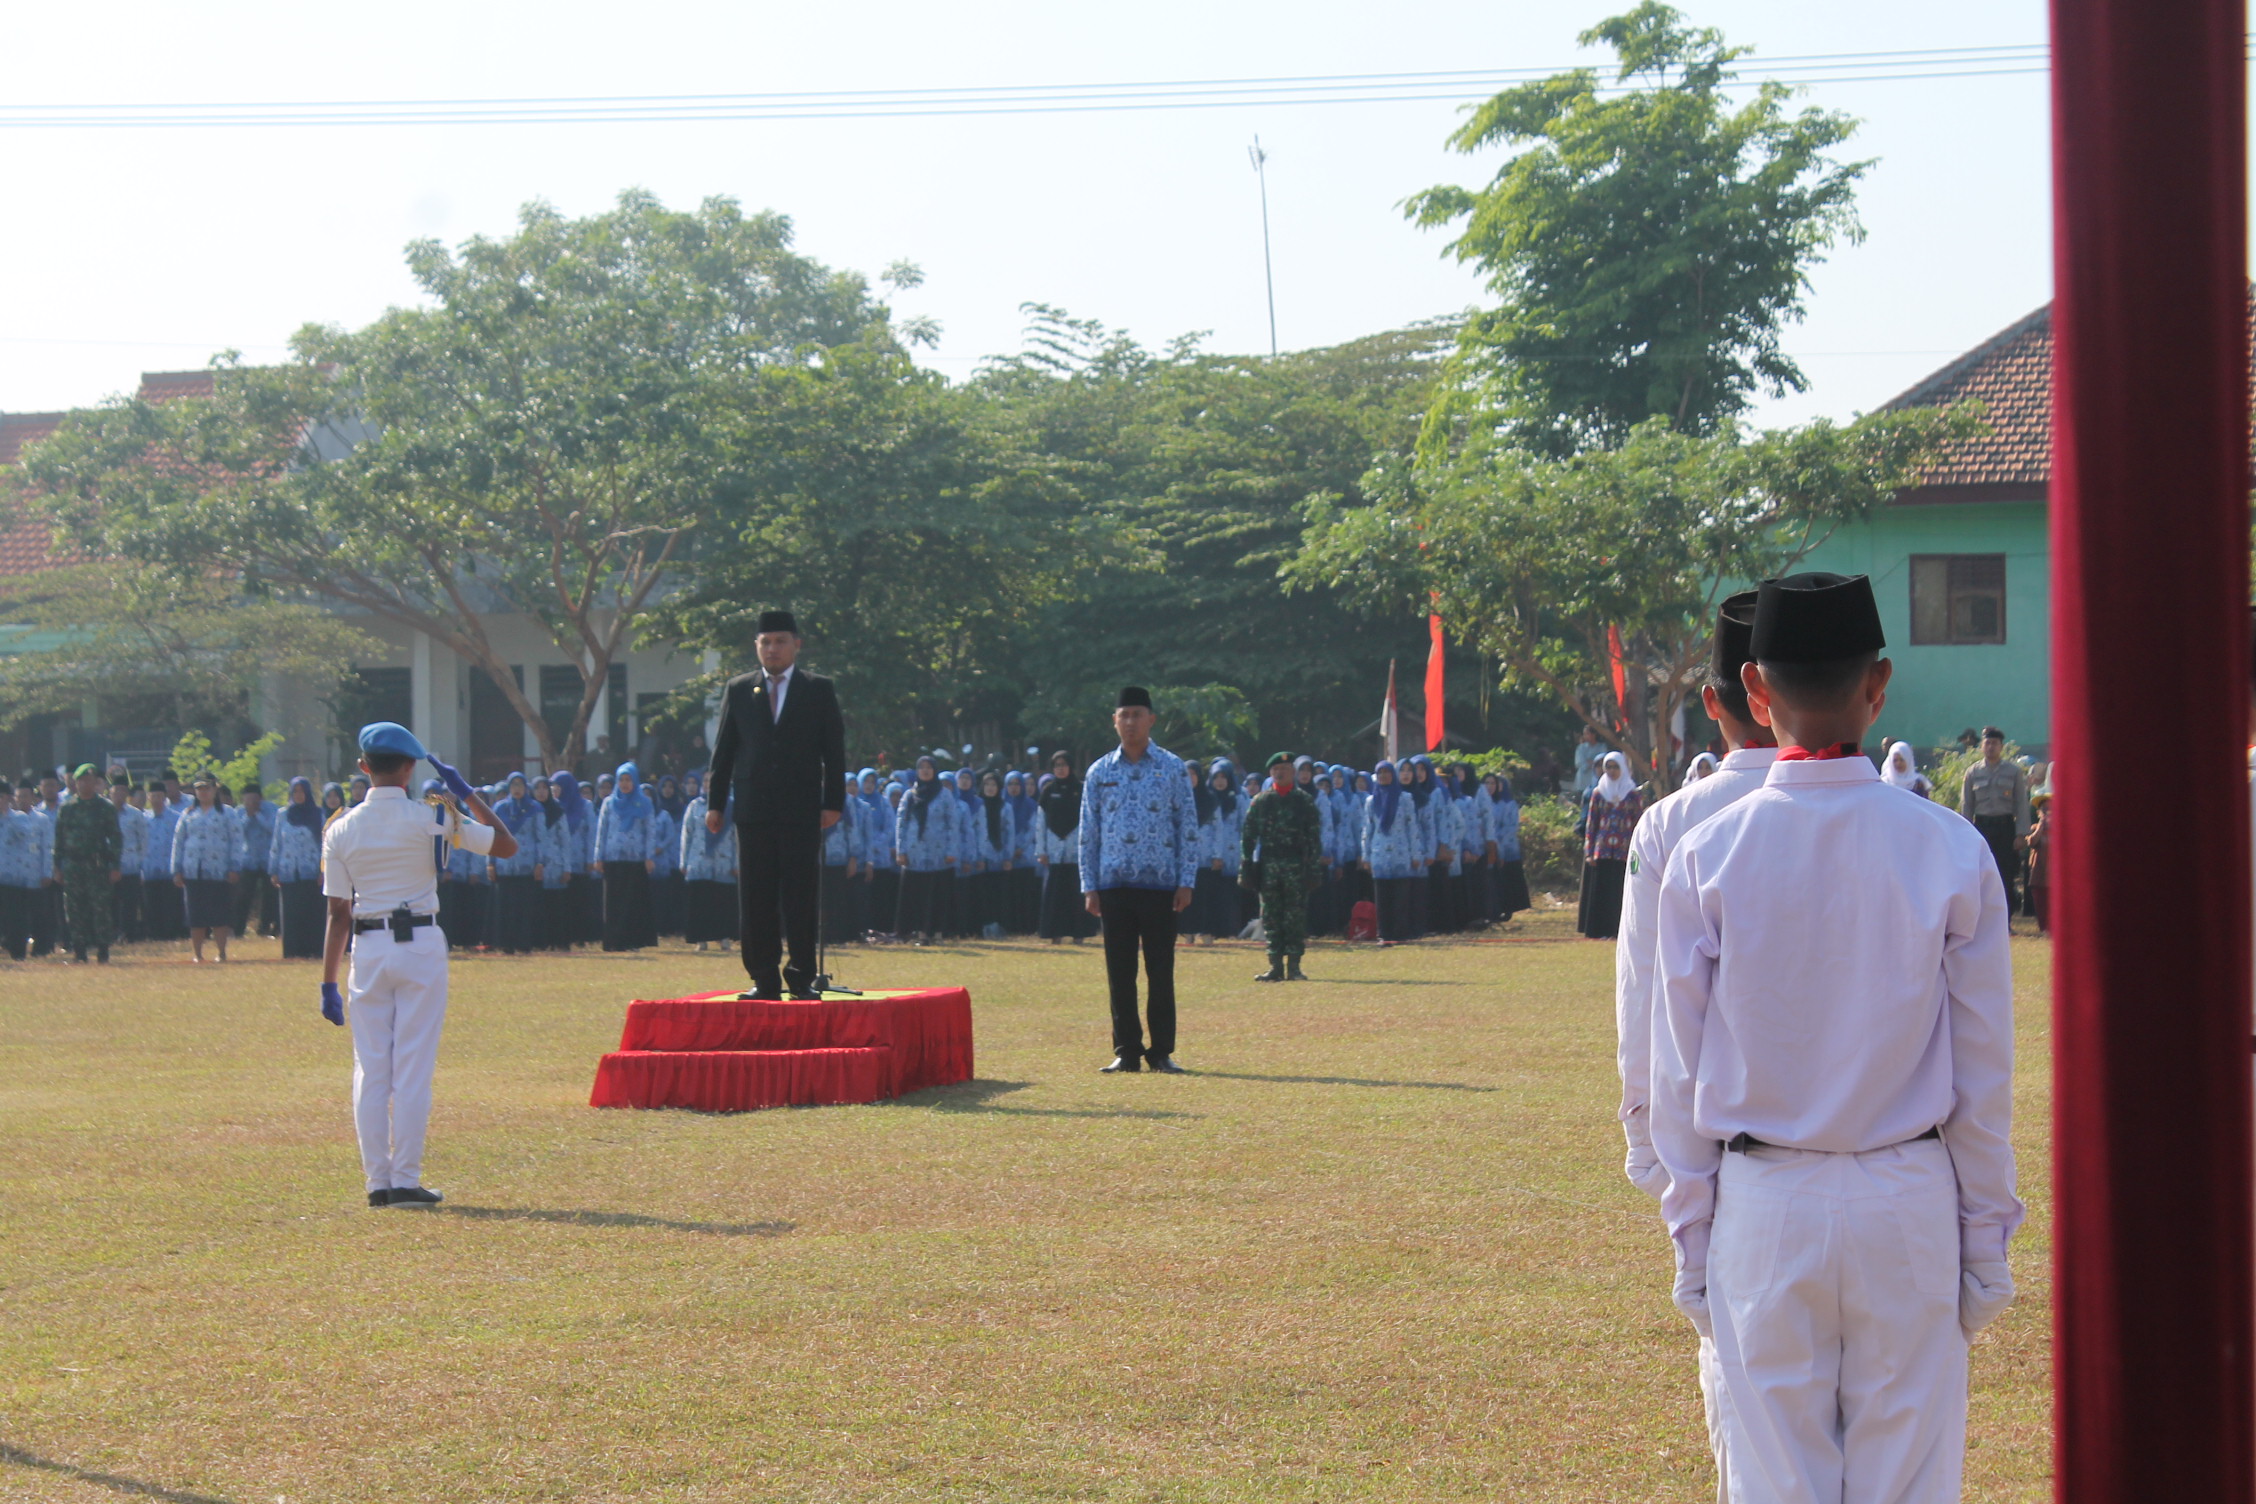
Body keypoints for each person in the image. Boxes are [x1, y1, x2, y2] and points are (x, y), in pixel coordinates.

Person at [1650, 572, 2018, 1502]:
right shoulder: (1948, 847)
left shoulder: (1707, 853)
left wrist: (1692, 1235)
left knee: (1775, 1484)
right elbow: (1984, 1074)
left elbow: (1676, 1071)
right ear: (1879, 683)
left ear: (1756, 692)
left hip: (1765, 1199)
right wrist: (1984, 1239)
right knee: (1908, 1486)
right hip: (1909, 1192)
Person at [1611, 590, 1777, 1489]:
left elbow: (1646, 999)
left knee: (1752, 1441)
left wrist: (1650, 1146)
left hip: (1733, 1163)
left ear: (1717, 699)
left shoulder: (1676, 824)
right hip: (1898, 1174)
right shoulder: (1915, 824)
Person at [319, 722, 517, 1209]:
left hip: (367, 949)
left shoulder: (340, 827)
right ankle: (406, 1178)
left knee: (371, 1068)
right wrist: (467, 793)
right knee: (412, 1066)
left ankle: (377, 1184)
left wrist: (327, 981)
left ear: (364, 768)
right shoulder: (434, 817)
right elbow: (506, 845)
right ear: (410, 769)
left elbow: (338, 913)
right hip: (420, 944)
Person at [706, 610, 849, 999]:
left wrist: (833, 801)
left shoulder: (817, 689)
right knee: (755, 898)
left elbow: (833, 751)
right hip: (753, 810)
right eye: (765, 642)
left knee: (800, 895)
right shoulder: (739, 689)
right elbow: (724, 751)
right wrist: (715, 803)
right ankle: (763, 978)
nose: (772, 649)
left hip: (802, 809)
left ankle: (801, 977)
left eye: (780, 641)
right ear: (756, 646)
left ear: (796, 645)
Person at [1080, 686, 1198, 1074]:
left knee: (1160, 970)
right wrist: (1089, 885)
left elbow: (1188, 827)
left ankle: (1161, 1051)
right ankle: (1126, 1051)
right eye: (1124, 715)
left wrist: (1186, 880)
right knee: (1120, 972)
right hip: (1113, 886)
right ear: (1114, 721)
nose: (1130, 722)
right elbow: (1089, 833)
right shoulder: (1100, 772)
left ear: (1151, 720)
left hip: (1161, 885)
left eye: (1137, 714)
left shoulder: (1172, 767)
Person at [1242, 751, 1324, 981]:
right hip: (1268, 866)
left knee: (1295, 917)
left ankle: (1295, 967)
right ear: (1271, 773)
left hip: (1296, 866)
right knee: (1271, 917)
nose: (1280, 773)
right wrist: (1247, 865)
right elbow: (1248, 836)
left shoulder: (1304, 802)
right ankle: (1275, 966)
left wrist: (1313, 868)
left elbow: (1314, 838)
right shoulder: (1261, 801)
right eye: (1276, 770)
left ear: (1293, 773)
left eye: (1285, 770)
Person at [51, 764, 122, 964]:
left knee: (100, 908)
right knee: (74, 909)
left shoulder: (105, 807)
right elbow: (59, 839)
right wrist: (57, 865)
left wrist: (115, 865)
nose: (84, 783)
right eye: (81, 780)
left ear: (95, 782)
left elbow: (115, 838)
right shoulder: (67, 808)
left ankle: (103, 950)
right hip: (73, 866)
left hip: (97, 865)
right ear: (75, 782)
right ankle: (79, 951)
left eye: (89, 780)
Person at [1958, 726, 2030, 916]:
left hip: (2005, 827)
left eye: (1995, 743)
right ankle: (1982, 918)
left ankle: (2005, 920)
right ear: (1981, 746)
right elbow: (1967, 805)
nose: (1991, 747)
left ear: (2001, 746)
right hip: (1982, 828)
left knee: (2005, 873)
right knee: (1980, 875)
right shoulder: (1972, 772)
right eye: (1987, 743)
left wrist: (2021, 834)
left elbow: (2022, 804)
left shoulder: (2013, 772)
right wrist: (1966, 834)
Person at [172, 775, 239, 963]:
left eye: (207, 788)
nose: (203, 792)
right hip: (193, 870)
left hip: (219, 871)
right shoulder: (188, 813)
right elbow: (179, 841)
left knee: (219, 914)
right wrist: (176, 869)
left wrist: (235, 866)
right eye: (199, 788)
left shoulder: (227, 813)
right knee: (196, 915)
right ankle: (198, 954)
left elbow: (236, 840)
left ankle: (222, 952)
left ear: (214, 790)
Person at [1575, 752, 1643, 940]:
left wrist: (1638, 851)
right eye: (1609, 767)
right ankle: (1600, 930)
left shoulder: (1632, 793)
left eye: (1615, 767)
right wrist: (1589, 852)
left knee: (1620, 892)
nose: (1612, 771)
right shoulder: (1598, 792)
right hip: (1602, 849)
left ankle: (1619, 930)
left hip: (1624, 849)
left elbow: (1638, 823)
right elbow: (1591, 823)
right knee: (1602, 891)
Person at [893, 754, 960, 941]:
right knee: (917, 895)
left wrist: (951, 850)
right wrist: (901, 850)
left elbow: (952, 823)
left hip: (939, 854)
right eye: (921, 767)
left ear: (934, 770)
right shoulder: (909, 795)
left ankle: (938, 932)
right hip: (915, 854)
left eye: (928, 767)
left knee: (938, 894)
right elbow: (901, 824)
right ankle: (919, 932)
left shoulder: (944, 794)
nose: (925, 770)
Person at [594, 762, 659, 952]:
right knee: (613, 903)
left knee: (633, 903)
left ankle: (633, 942)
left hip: (636, 860)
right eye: (621, 780)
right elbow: (602, 830)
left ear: (635, 781)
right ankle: (614, 942)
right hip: (613, 860)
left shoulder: (644, 803)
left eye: (628, 780)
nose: (624, 784)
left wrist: (649, 856)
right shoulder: (609, 803)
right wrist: (598, 856)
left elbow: (650, 831)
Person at [1360, 760, 1422, 945]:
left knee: (1401, 897)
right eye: (1380, 774)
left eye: (1387, 773)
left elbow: (1412, 827)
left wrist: (1415, 854)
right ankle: (1384, 933)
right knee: (1382, 898)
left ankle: (1400, 933)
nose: (1384, 777)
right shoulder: (1371, 801)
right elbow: (1367, 829)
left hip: (1401, 853)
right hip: (1379, 854)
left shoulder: (1405, 798)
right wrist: (1366, 855)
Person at [678, 774, 739, 952]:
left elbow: (737, 837)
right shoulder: (695, 806)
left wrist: (737, 863)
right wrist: (684, 860)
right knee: (700, 902)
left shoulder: (732, 805)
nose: (708, 785)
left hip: (724, 864)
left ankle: (724, 938)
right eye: (705, 782)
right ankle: (701, 939)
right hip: (698, 863)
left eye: (712, 782)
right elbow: (686, 834)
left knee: (722, 902)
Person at [270, 777, 328, 959]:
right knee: (291, 914)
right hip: (288, 872)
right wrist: (273, 870)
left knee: (312, 912)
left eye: (302, 792)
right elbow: (276, 843)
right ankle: (293, 951)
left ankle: (314, 950)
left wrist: (323, 870)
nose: (298, 795)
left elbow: (326, 845)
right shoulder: (283, 815)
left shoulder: (318, 814)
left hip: (311, 872)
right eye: (295, 792)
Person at [485, 774, 542, 955]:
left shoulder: (535, 809)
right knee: (505, 907)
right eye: (514, 785)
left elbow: (541, 838)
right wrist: (490, 863)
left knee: (524, 907)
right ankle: (506, 944)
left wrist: (540, 862)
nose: (517, 789)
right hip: (504, 865)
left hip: (526, 866)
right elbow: (491, 836)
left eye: (520, 785)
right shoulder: (500, 808)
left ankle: (524, 943)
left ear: (526, 788)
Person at [1190, 759, 1245, 943]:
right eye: (1216, 777)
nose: (1220, 781)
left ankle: (1227, 931)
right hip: (1198, 857)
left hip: (1227, 855)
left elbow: (1241, 826)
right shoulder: (1199, 798)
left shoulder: (1237, 798)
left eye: (1224, 777)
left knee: (1225, 896)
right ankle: (1196, 931)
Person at [538, 772, 596, 948]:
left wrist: (590, 859)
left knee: (578, 902)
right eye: (552, 786)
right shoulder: (550, 808)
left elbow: (591, 834)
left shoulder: (585, 806)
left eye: (558, 786)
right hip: (555, 865)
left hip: (579, 862)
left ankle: (579, 936)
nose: (555, 789)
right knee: (560, 903)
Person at [0, 778, 53, 960]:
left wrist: (6, 815)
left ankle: (19, 953)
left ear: (7, 798)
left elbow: (26, 834)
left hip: (16, 877)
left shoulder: (18, 817)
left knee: (17, 917)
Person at [231, 783, 278, 939]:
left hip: (267, 859)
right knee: (243, 896)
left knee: (269, 896)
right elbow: (237, 834)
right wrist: (248, 816)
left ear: (260, 799)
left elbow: (274, 829)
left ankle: (265, 928)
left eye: (254, 799)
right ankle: (238, 929)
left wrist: (258, 815)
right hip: (248, 860)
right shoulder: (238, 812)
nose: (251, 802)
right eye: (248, 799)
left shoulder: (272, 809)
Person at [1486, 772, 1531, 921]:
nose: (1492, 787)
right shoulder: (1486, 803)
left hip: (1507, 848)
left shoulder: (1509, 804)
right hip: (1490, 848)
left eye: (1495, 784)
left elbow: (1511, 827)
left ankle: (1509, 908)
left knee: (1508, 880)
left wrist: (1498, 840)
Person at [110, 777, 148, 944]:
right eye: (115, 791)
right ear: (110, 793)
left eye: (122, 791)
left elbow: (143, 842)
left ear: (127, 793)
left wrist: (139, 863)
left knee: (129, 905)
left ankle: (129, 935)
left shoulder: (136, 814)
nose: (119, 794)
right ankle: (112, 934)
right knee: (110, 904)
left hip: (130, 867)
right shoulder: (104, 812)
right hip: (109, 867)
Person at [1572, 725, 1607, 798]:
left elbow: (1601, 762)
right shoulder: (1580, 748)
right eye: (1584, 734)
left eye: (1587, 734)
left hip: (1597, 782)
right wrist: (1593, 762)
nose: (1585, 736)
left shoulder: (1602, 747)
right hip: (1582, 782)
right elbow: (1579, 763)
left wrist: (1592, 762)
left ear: (1594, 734)